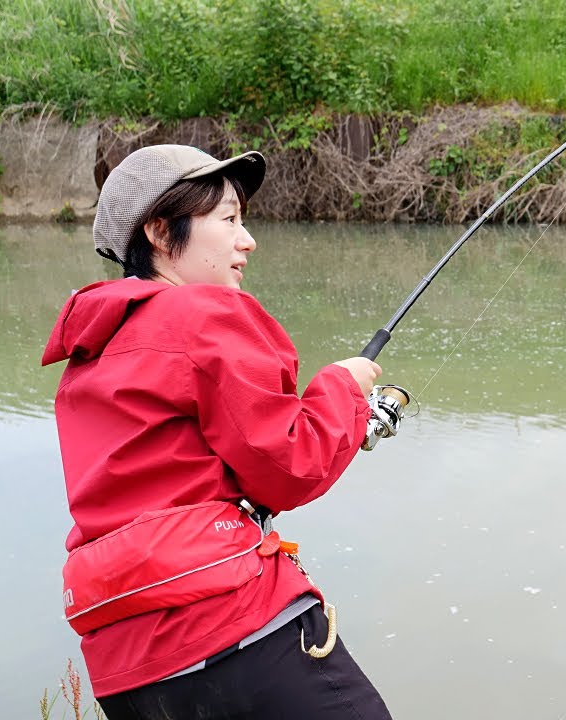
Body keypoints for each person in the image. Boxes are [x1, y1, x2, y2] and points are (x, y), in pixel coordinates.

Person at [41, 144, 393, 719]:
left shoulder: (89, 356)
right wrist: (344, 387)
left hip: (125, 673)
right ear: (159, 231)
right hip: (236, 633)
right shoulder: (204, 315)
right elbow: (290, 465)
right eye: (228, 219)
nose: (246, 239)